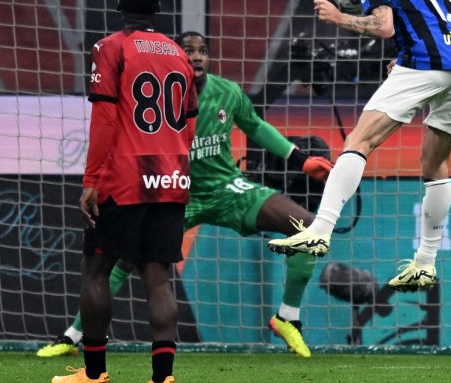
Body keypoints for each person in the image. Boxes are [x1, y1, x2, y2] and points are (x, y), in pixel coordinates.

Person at [39, 30, 334, 360]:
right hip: (178, 194)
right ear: (175, 57)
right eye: (189, 51)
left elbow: (255, 126)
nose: (197, 57)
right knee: (124, 258)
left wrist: (301, 159)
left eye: (203, 51)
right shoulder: (157, 98)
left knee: (309, 228)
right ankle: (73, 335)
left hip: (226, 189)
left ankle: (287, 317)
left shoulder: (228, 92)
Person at [268, 0, 451, 291]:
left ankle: (319, 231)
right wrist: (403, 53)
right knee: (435, 165)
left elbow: (383, 25)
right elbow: (430, 16)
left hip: (427, 65)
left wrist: (341, 17)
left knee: (359, 141)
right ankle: (425, 264)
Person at [50, 0, 198, 383]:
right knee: (158, 277)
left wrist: (92, 179)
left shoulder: (110, 47)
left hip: (125, 177)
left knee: (97, 270)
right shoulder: (178, 54)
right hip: (172, 175)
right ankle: (162, 381)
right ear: (158, 10)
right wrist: (171, 162)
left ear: (119, 6)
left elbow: (106, 118)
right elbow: (188, 123)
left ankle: (94, 376)